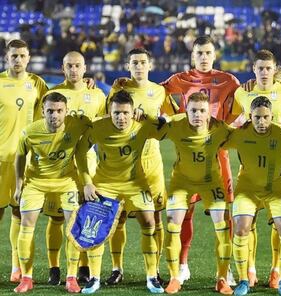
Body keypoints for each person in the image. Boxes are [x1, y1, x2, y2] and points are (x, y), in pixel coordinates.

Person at [161, 35, 240, 284]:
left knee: (223, 215)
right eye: (199, 53)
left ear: (214, 55)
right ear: (192, 56)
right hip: (189, 154)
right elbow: (156, 92)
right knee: (186, 213)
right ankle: (183, 265)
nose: (204, 58)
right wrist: (174, 115)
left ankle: (224, 270)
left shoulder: (229, 80)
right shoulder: (181, 79)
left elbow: (248, 98)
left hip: (219, 155)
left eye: (208, 53)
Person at [75, 90, 165, 294]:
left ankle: (152, 276)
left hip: (135, 183)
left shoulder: (142, 125)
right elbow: (80, 151)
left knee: (149, 222)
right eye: (116, 113)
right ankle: (94, 278)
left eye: (125, 113)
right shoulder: (98, 127)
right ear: (109, 112)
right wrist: (87, 182)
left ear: (133, 112)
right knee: (95, 228)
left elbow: (165, 129)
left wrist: (148, 116)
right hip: (105, 184)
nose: (121, 117)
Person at [232, 49, 281, 289]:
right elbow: (235, 123)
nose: (264, 72)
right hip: (249, 170)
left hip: (277, 170)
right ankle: (249, 271)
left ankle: (276, 271)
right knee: (246, 224)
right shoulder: (242, 92)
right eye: (260, 68)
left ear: (275, 70)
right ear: (253, 69)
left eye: (268, 68)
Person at [104, 48, 177, 286]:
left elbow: (172, 119)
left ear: (150, 64)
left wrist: (153, 120)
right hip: (123, 163)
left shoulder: (159, 91)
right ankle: (117, 268)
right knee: (119, 217)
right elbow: (108, 117)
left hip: (151, 162)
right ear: (128, 65)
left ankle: (154, 270)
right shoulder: (119, 89)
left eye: (143, 62)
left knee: (154, 218)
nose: (138, 66)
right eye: (134, 62)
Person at [13, 92, 91, 293]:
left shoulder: (78, 124)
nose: (54, 115)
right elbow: (20, 155)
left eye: (59, 111)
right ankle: (27, 277)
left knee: (74, 228)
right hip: (36, 182)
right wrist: (20, 183)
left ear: (66, 111)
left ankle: (71, 277)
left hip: (66, 181)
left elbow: (100, 125)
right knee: (26, 225)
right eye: (50, 111)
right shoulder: (30, 132)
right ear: (42, 112)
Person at [39, 51, 106, 285]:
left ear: (85, 67)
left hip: (87, 163)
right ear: (62, 67)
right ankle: (54, 267)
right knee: (57, 218)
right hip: (59, 165)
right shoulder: (52, 94)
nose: (74, 70)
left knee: (86, 216)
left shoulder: (97, 95)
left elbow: (104, 126)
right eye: (69, 66)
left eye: (78, 65)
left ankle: (84, 267)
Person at [223, 96, 281, 296]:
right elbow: (216, 135)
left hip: (276, 189)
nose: (262, 122)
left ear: (272, 116)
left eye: (266, 117)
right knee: (241, 228)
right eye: (257, 117)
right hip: (247, 189)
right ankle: (243, 280)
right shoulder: (239, 134)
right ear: (250, 116)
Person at [159, 92, 233, 295]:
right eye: (193, 110)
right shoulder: (175, 124)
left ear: (209, 113)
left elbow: (244, 137)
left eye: (202, 111)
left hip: (211, 183)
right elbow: (151, 126)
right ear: (186, 111)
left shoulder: (220, 128)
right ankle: (175, 277)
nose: (197, 115)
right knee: (173, 225)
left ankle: (222, 278)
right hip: (181, 183)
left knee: (223, 228)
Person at [0, 39, 48, 283]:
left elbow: (56, 103)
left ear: (28, 58)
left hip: (26, 161)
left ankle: (16, 267)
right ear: (6, 57)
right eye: (14, 56)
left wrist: (89, 81)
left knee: (20, 212)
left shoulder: (37, 84)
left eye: (22, 56)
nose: (18, 60)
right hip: (0, 160)